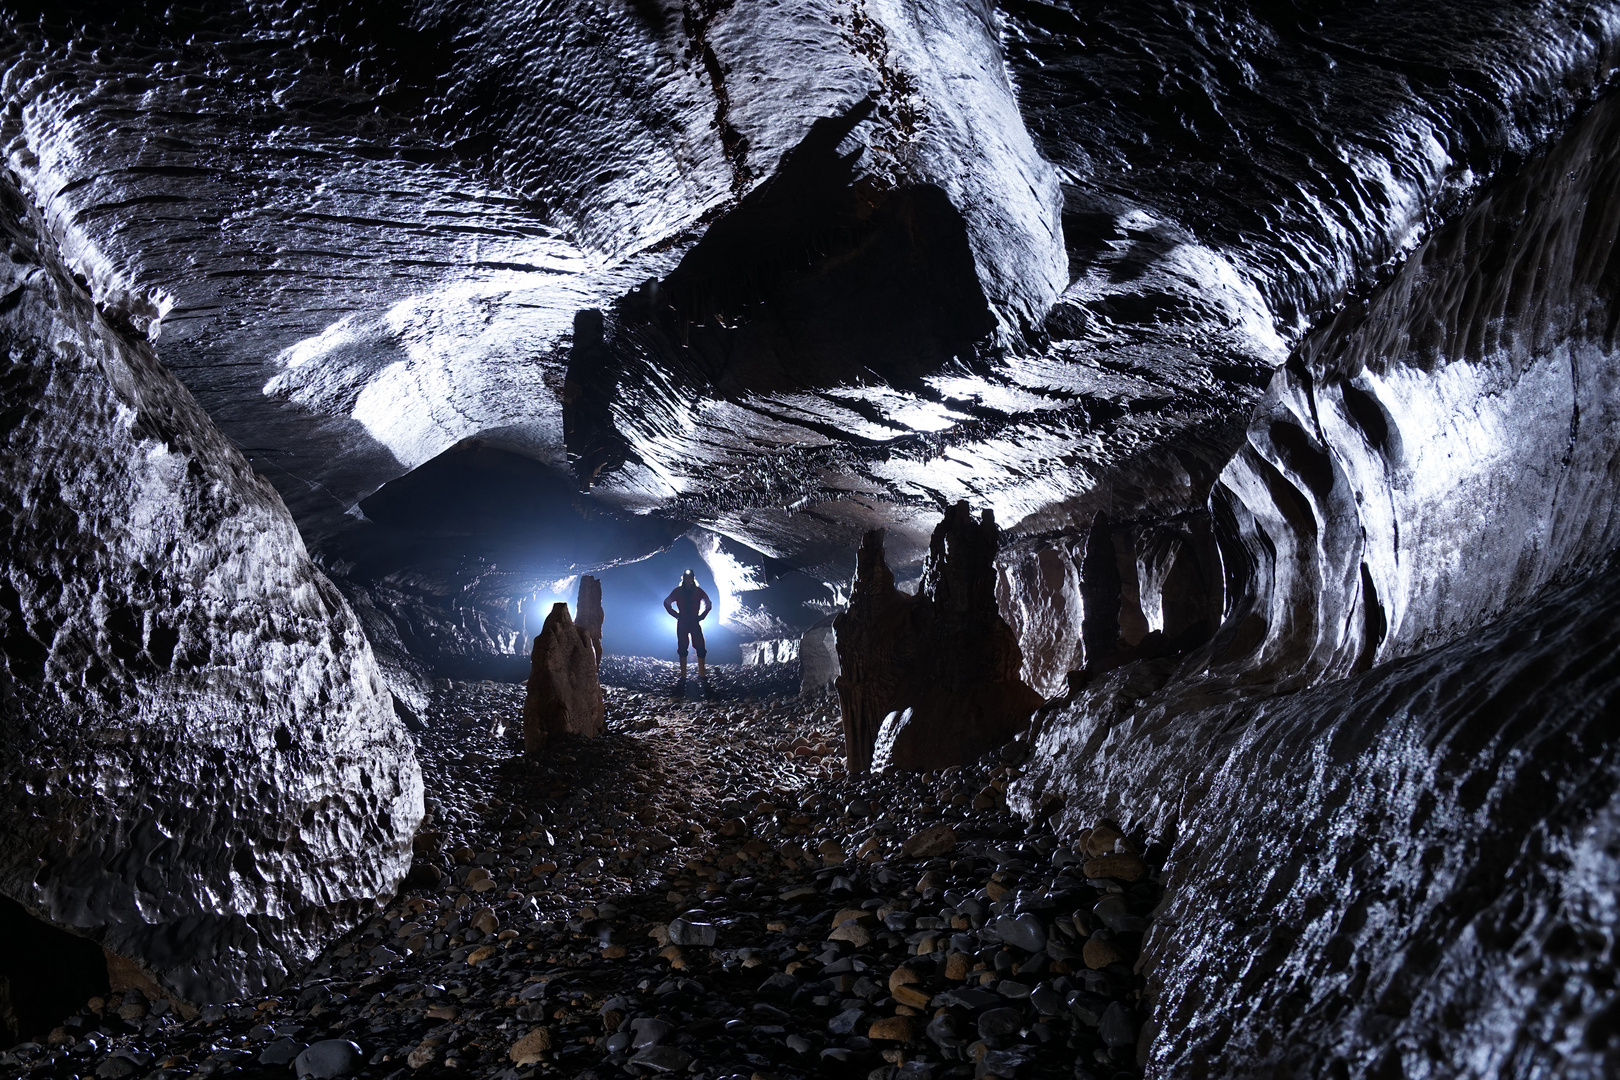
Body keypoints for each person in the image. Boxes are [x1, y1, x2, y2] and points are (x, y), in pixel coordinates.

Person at [663, 569, 712, 681]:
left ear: (693, 578)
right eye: (686, 577)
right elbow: (666, 603)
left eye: (690, 577)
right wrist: (676, 615)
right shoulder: (680, 591)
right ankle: (684, 675)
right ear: (683, 578)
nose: (688, 579)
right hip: (684, 622)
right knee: (682, 646)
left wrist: (702, 616)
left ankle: (702, 674)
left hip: (693, 621)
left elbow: (708, 604)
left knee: (700, 646)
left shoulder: (697, 591)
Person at [575, 575, 604, 667]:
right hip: (591, 629)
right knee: (586, 612)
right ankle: (588, 583)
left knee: (586, 611)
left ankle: (587, 583)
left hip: (591, 629)